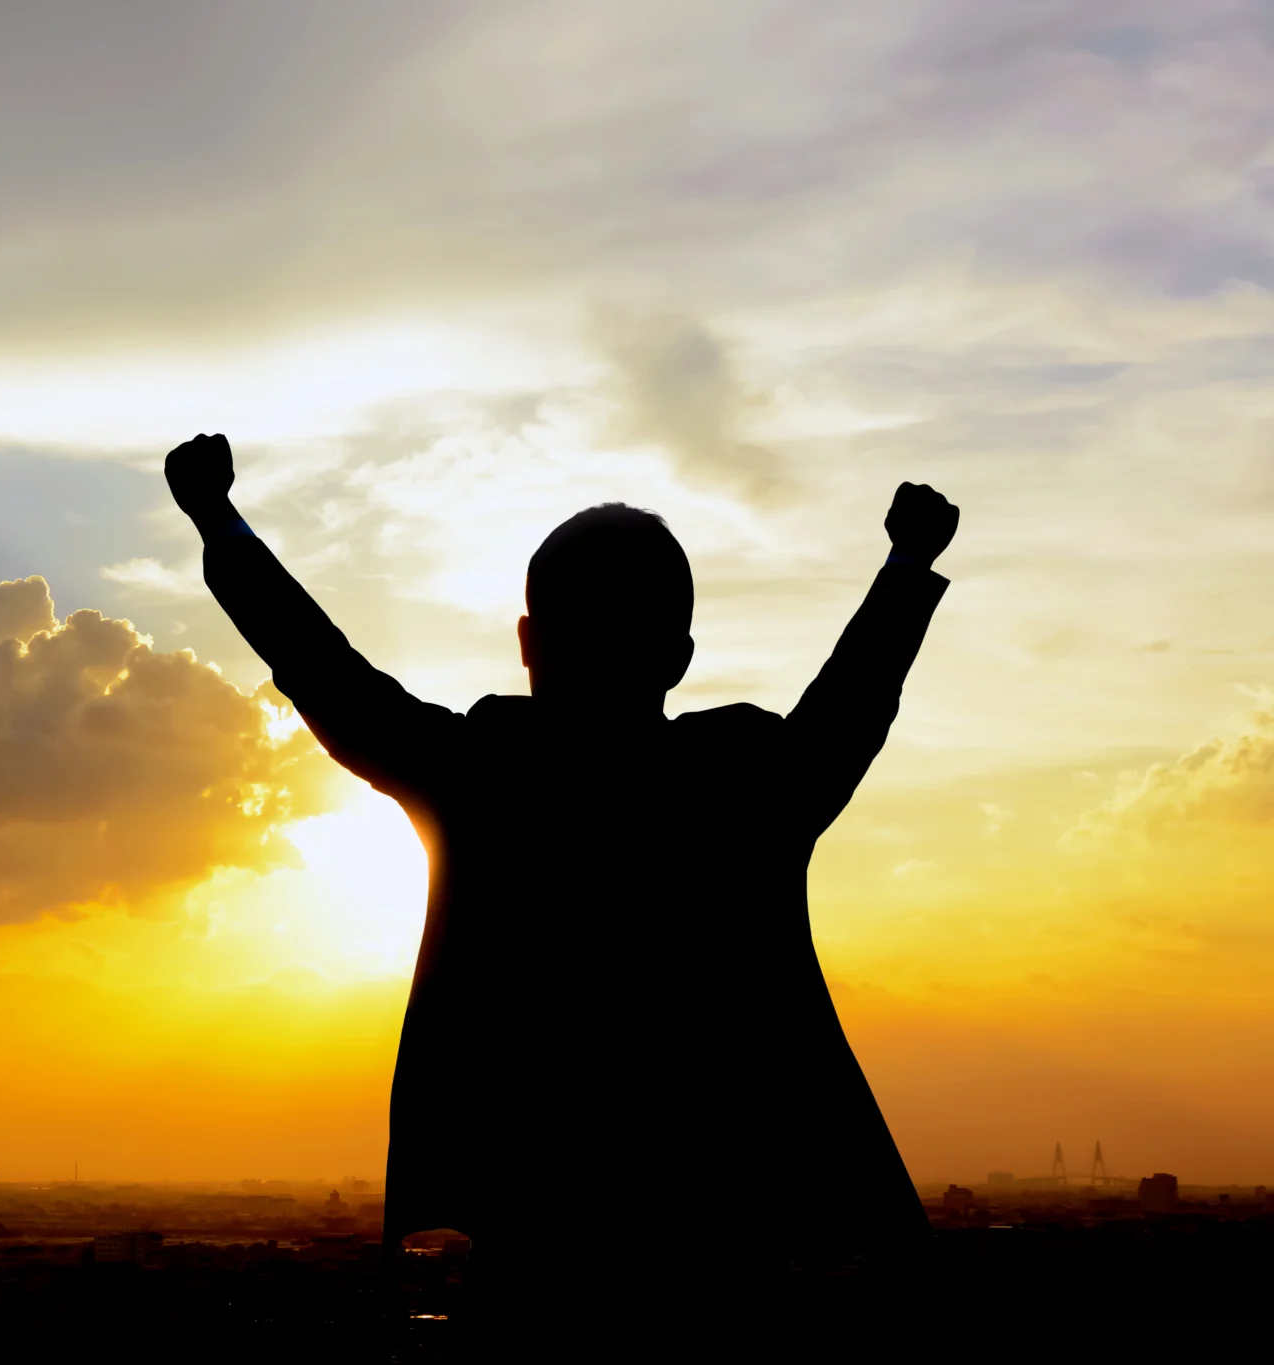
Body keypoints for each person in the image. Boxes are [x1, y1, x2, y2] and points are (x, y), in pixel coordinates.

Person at [165, 432, 958, 1317]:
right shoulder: (745, 785)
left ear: (528, 642)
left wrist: (219, 520)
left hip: (535, 1251)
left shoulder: (481, 775)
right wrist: (906, 564)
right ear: (679, 654)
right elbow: (851, 704)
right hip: (720, 1256)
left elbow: (325, 672)